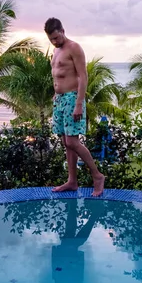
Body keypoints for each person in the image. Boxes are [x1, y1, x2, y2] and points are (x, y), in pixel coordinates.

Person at [44, 17, 105, 197]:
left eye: (56, 37)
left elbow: (83, 77)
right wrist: (56, 93)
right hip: (60, 99)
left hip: (73, 99)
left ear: (63, 31)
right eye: (51, 39)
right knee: (66, 142)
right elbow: (58, 74)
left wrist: (79, 103)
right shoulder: (56, 51)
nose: (54, 41)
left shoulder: (74, 48)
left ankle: (97, 176)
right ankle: (72, 181)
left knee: (72, 141)